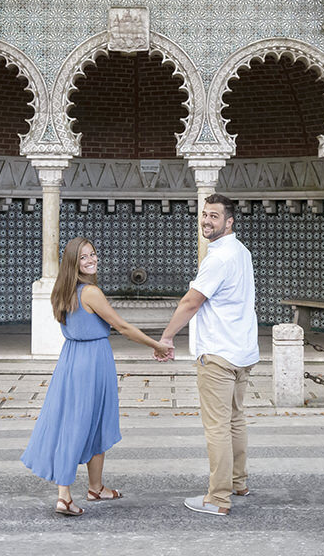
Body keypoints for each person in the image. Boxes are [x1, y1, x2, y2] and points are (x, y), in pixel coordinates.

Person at [20, 236, 173, 516]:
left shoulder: (63, 290)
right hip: (92, 360)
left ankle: (95, 487)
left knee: (89, 421)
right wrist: (157, 345)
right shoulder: (90, 292)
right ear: (73, 262)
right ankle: (64, 496)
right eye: (84, 257)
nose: (91, 260)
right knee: (79, 425)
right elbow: (122, 327)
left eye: (93, 254)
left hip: (72, 359)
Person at [158, 193, 259, 517]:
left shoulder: (218, 258)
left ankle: (218, 498)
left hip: (218, 352)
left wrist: (167, 336)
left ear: (229, 221)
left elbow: (191, 301)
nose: (206, 221)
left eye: (214, 216)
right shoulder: (241, 252)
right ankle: (238, 482)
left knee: (217, 427)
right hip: (241, 351)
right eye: (204, 215)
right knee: (235, 420)